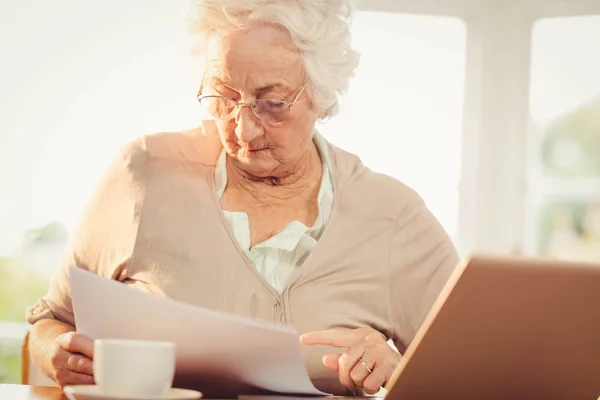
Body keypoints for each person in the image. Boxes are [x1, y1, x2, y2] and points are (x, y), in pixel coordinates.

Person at [26, 0, 460, 396]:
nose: (242, 129)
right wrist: (57, 354)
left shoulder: (393, 216)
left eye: (271, 104)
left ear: (322, 97)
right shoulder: (144, 171)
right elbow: (52, 322)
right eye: (224, 97)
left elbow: (478, 377)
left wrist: (397, 371)